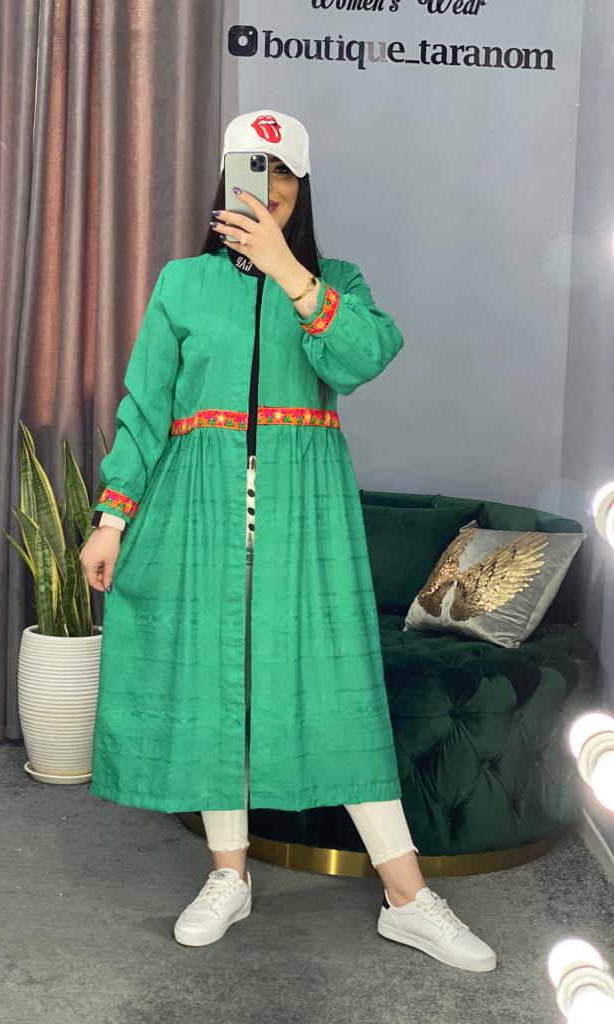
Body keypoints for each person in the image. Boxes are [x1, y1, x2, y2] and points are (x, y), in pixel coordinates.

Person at [80, 109, 496, 972]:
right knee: (214, 686)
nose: (265, 187)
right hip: (194, 514)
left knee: (338, 694)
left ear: (302, 189)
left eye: (282, 172)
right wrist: (112, 518)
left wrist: (290, 274)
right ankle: (228, 875)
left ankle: (408, 899)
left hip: (305, 519)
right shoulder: (182, 283)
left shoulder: (336, 280)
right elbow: (146, 405)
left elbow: (363, 357)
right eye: (250, 167)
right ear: (224, 179)